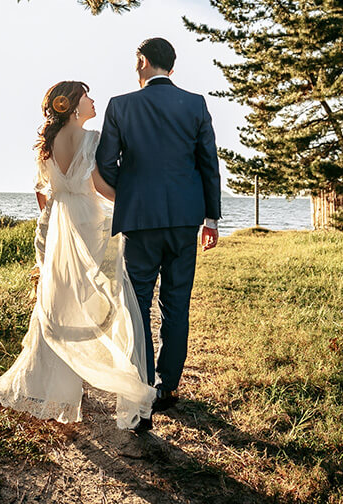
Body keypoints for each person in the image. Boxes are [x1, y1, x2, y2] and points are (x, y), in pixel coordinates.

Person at [0, 81, 157, 430]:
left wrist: (53, 221)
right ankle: (117, 380)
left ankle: (58, 390)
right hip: (85, 225)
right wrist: (132, 200)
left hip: (54, 224)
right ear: (75, 106)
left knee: (57, 301)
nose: (93, 100)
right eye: (87, 96)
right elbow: (99, 187)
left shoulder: (46, 145)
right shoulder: (93, 140)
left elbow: (43, 193)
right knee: (110, 299)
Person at [95, 37, 222, 429]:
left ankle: (142, 392)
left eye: (137, 63)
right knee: (176, 303)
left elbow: (104, 163)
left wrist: (132, 194)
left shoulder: (120, 105)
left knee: (138, 307)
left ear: (145, 62)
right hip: (185, 220)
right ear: (172, 66)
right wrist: (211, 219)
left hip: (139, 221)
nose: (136, 70)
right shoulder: (196, 104)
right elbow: (208, 164)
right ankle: (168, 387)